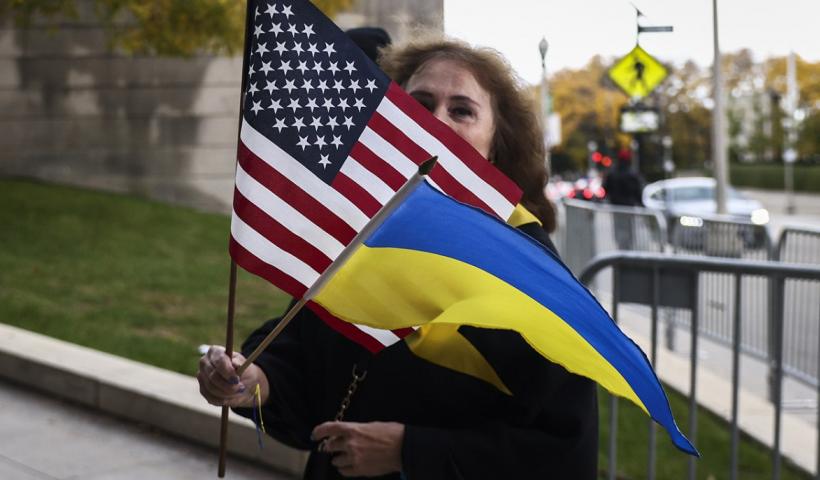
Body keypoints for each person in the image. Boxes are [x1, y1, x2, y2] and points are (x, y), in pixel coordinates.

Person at [198, 35, 598, 479]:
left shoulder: (528, 267)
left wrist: (410, 452)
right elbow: (306, 361)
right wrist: (255, 381)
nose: (435, 122)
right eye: (420, 104)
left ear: (495, 144)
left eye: (462, 110)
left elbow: (563, 450)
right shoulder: (361, 234)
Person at [603, 148, 644, 250]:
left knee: (619, 229)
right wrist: (641, 204)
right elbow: (638, 192)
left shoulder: (612, 173)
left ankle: (621, 248)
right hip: (629, 207)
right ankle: (628, 248)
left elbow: (605, 188)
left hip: (616, 207)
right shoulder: (632, 174)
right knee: (629, 229)